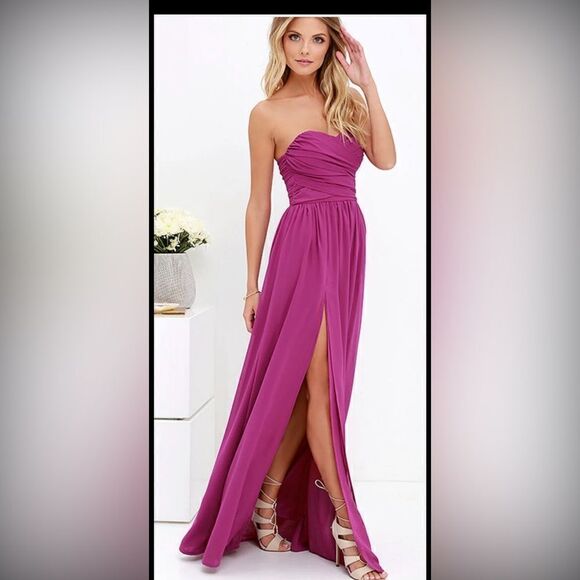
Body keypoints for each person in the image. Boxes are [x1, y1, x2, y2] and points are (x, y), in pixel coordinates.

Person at [179, 17, 396, 580]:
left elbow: (386, 159)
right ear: (280, 41)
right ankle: (347, 532)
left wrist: (368, 81)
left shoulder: (348, 102)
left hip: (346, 244)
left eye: (317, 38)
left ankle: (267, 500)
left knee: (308, 388)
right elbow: (258, 203)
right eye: (295, 36)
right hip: (302, 250)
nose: (305, 48)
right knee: (320, 387)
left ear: (332, 46)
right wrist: (251, 285)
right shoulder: (266, 114)